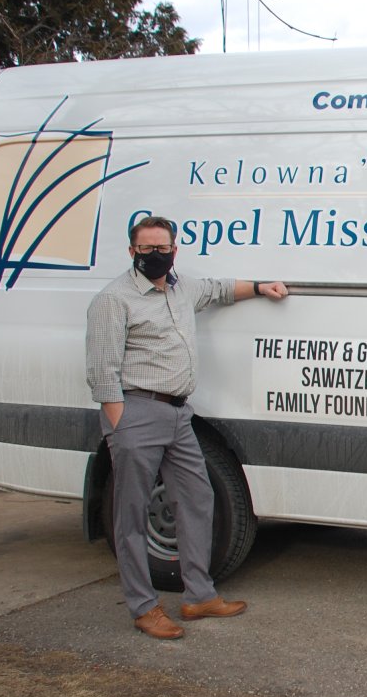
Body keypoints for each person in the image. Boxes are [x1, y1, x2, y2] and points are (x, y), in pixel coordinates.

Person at [86, 215, 288, 640]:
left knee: (197, 499)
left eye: (163, 248)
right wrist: (121, 425)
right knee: (131, 517)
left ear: (174, 250)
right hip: (137, 412)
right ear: (132, 252)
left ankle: (198, 595)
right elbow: (101, 371)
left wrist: (259, 287)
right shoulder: (113, 299)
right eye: (146, 250)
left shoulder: (181, 289)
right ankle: (144, 607)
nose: (155, 256)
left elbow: (217, 289)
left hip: (179, 415)